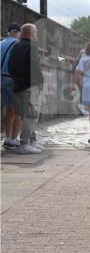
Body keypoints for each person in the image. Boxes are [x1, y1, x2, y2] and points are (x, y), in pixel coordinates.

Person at [7, 24, 44, 154]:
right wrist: (39, 81)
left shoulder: (16, 46)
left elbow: (10, 65)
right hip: (30, 86)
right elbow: (35, 68)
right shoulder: (31, 47)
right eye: (36, 32)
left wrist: (17, 78)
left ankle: (32, 141)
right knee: (32, 114)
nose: (37, 34)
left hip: (17, 85)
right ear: (32, 34)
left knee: (25, 115)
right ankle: (25, 143)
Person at [2, 22, 22, 149]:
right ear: (19, 33)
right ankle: (12, 138)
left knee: (8, 111)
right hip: (11, 79)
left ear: (8, 32)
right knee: (16, 111)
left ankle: (7, 137)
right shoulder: (18, 45)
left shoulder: (1, 43)